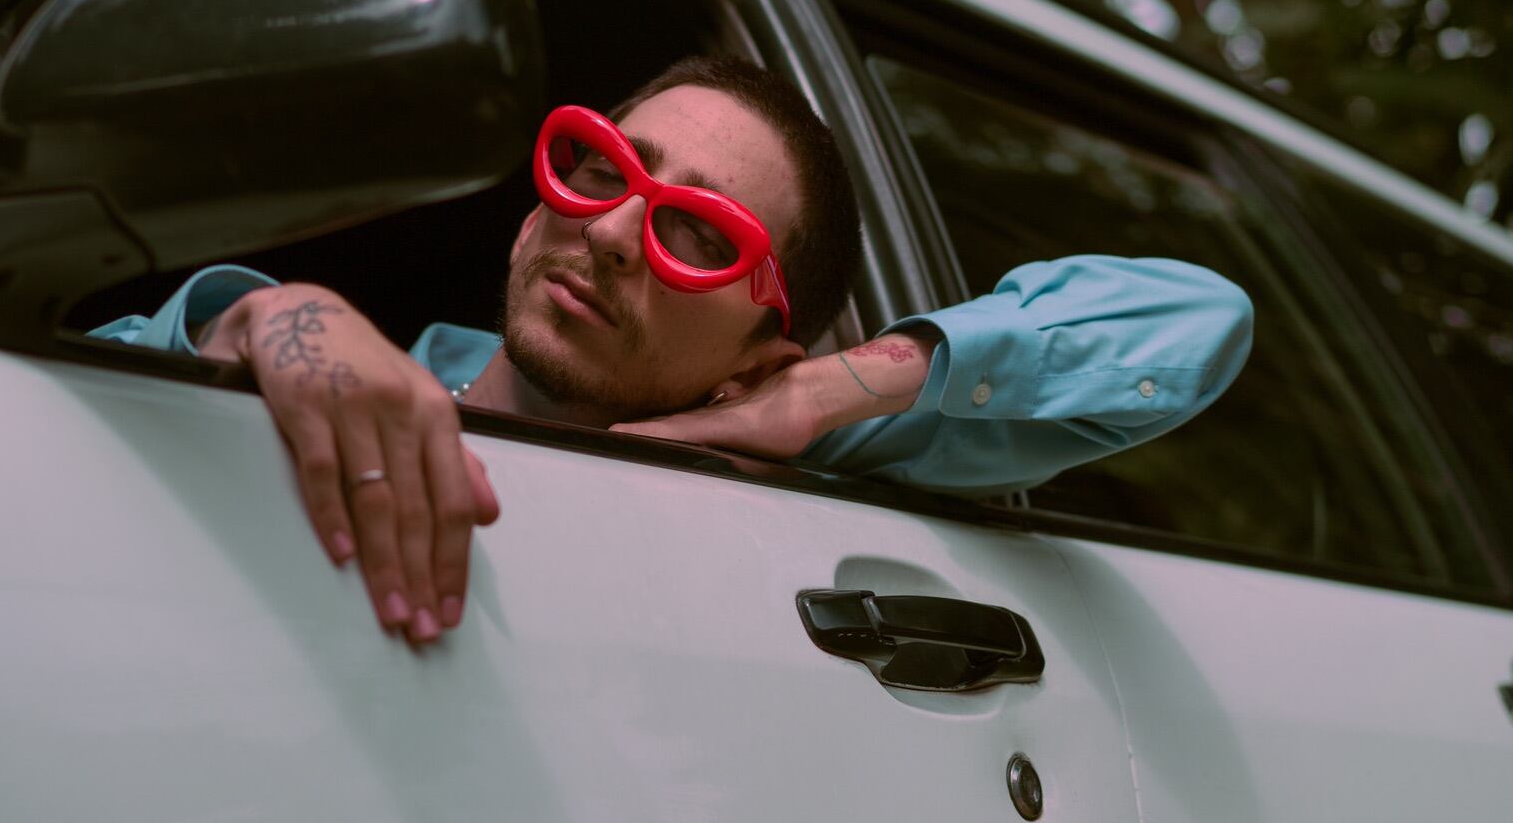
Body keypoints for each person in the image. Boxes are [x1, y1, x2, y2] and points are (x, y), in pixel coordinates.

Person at [92, 55, 1253, 647]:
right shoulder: (315, 361)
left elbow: (1193, 325)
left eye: (695, 232)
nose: (607, 233)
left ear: (762, 348)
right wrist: (254, 318)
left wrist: (818, 398)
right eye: (600, 167)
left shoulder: (796, 475)